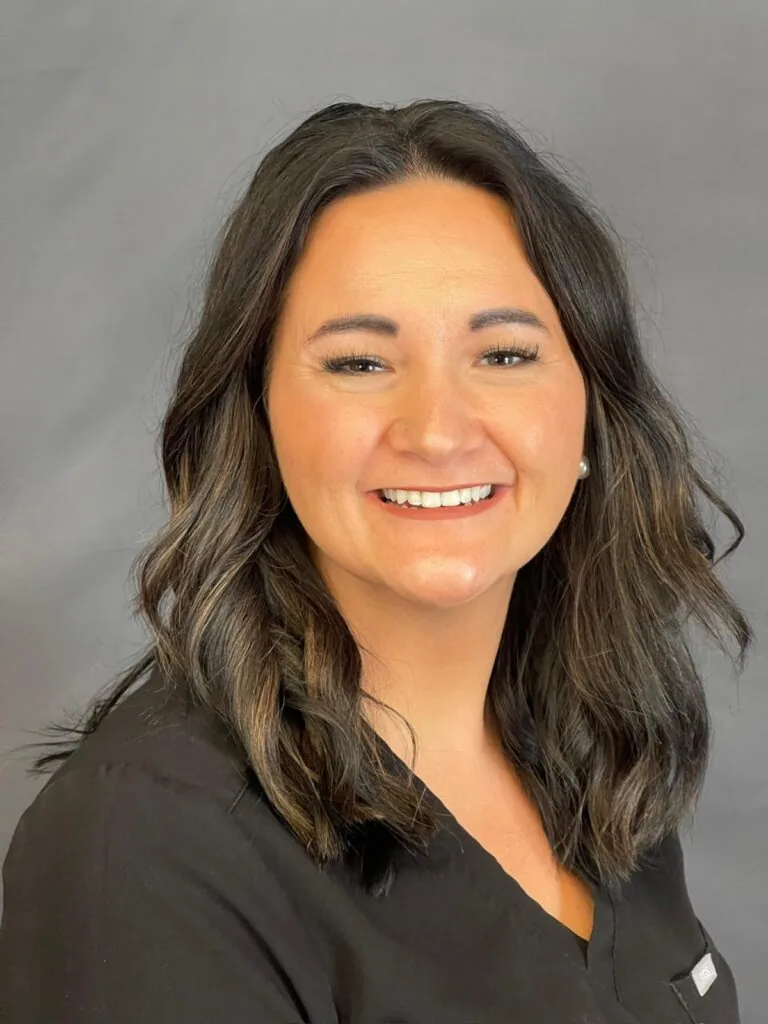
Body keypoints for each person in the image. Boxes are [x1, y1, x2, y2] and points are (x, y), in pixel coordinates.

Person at [0, 99, 753, 1024]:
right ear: (259, 416)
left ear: (591, 416)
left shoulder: (600, 755)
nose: (436, 431)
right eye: (358, 363)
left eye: (506, 354)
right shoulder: (146, 848)